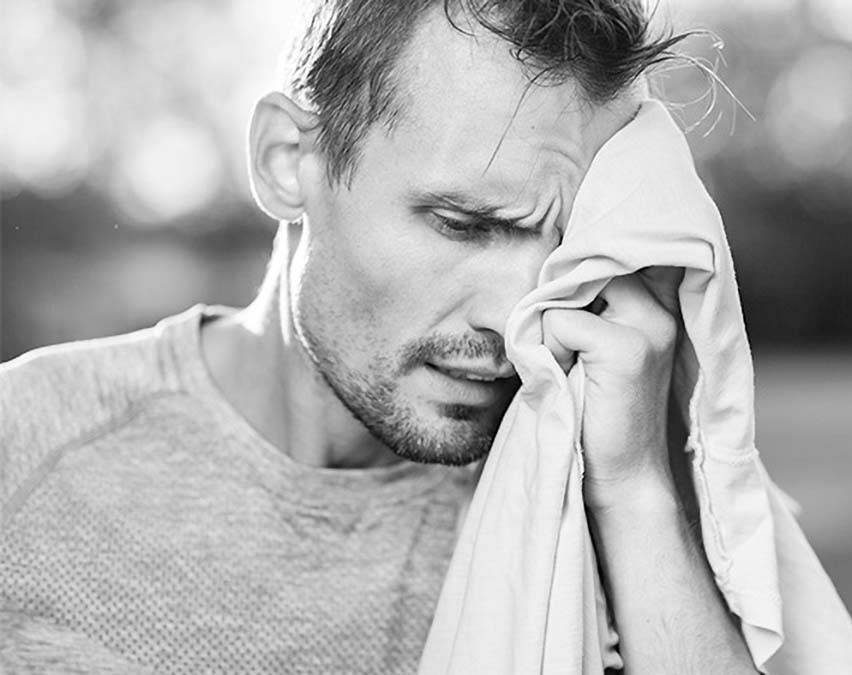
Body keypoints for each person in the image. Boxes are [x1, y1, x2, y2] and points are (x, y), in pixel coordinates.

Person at [0, 1, 763, 672]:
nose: (516, 319)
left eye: (569, 260)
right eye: (463, 225)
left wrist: (634, 491)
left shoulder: (592, 479)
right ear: (288, 161)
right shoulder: (27, 444)